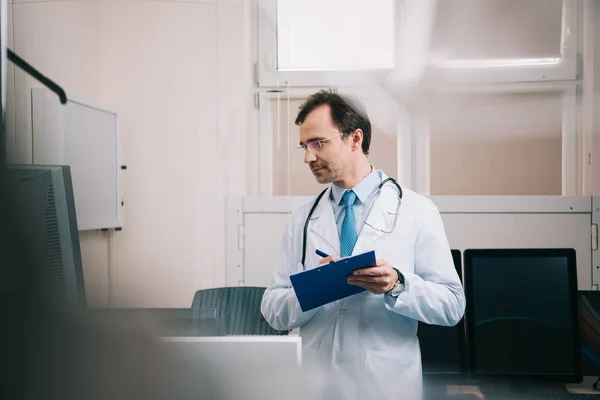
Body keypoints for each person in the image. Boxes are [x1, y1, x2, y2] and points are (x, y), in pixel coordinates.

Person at [260, 89, 466, 400]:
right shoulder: (302, 219)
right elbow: (272, 310)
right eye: (304, 146)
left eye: (318, 143)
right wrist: (313, 288)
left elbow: (452, 306)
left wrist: (397, 284)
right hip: (317, 385)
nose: (308, 157)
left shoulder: (417, 211)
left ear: (354, 139)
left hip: (385, 386)